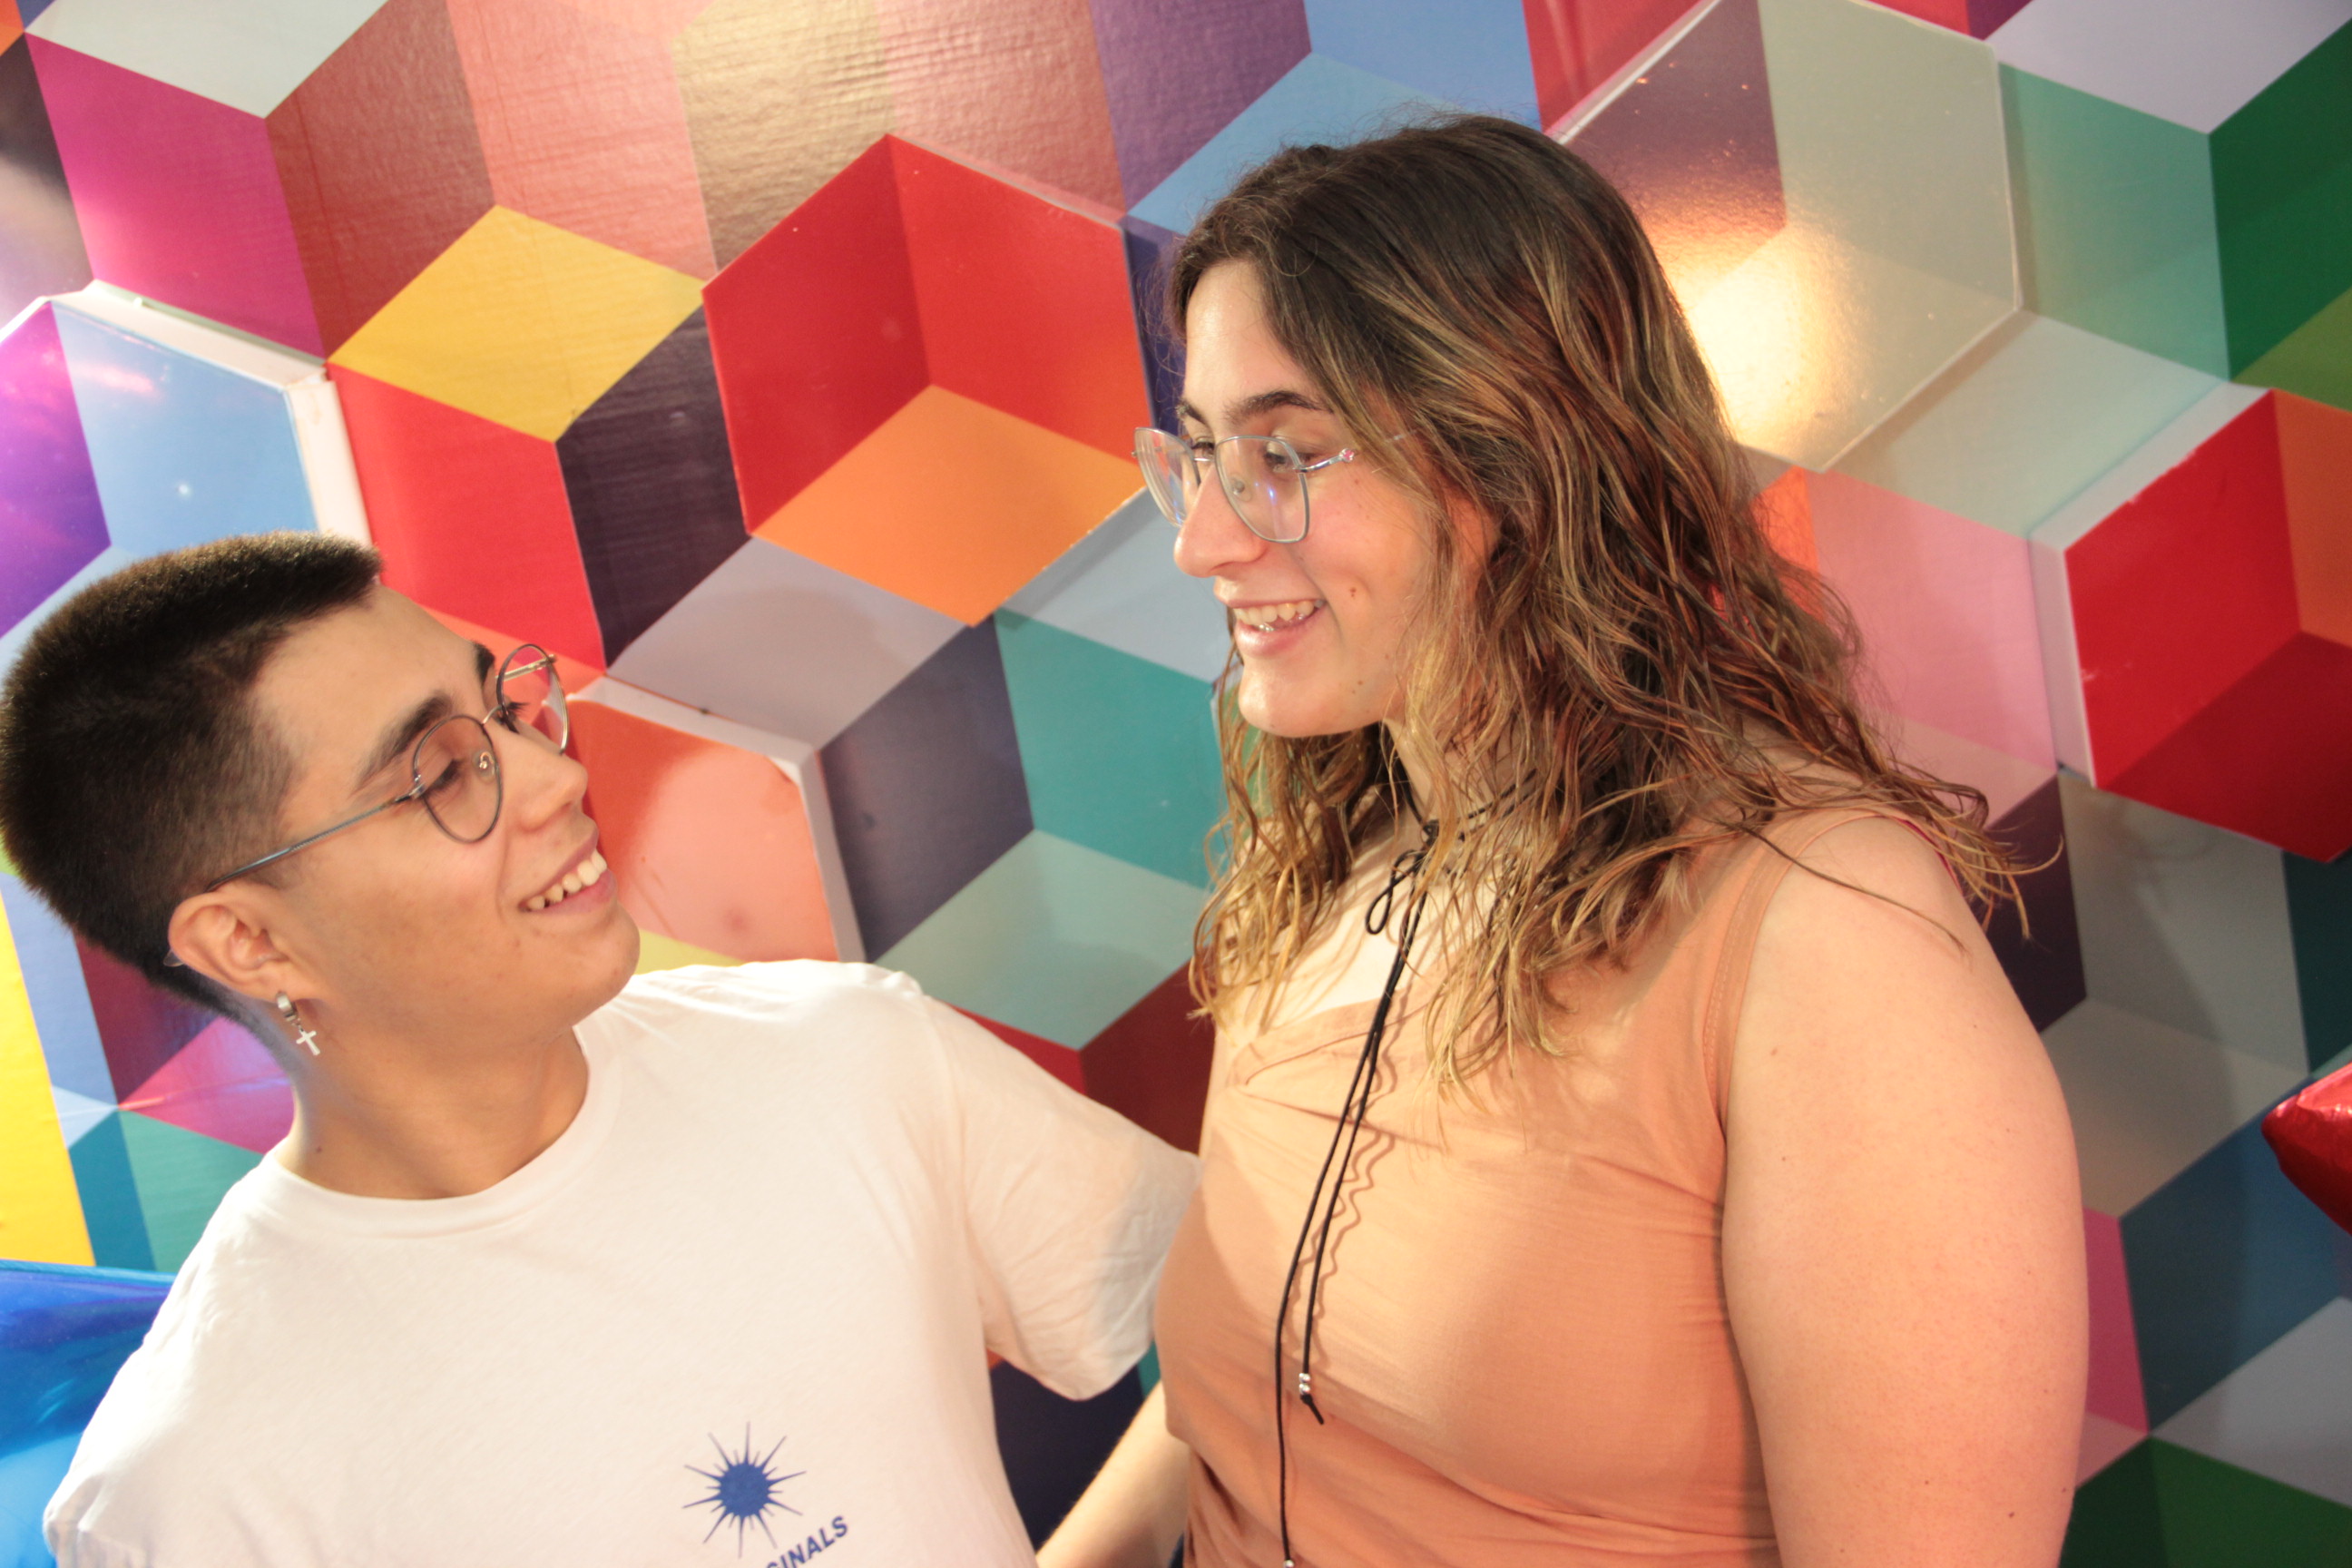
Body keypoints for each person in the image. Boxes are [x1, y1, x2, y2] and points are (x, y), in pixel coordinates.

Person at [1041, 115, 2085, 1568]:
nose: (1201, 541)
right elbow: (1259, 1380)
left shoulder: (1828, 929)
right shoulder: (1331, 868)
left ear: (1518, 456)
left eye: (1285, 454)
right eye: (1204, 454)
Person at [4, 534, 1198, 1567]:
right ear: (250, 942)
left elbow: (1259, 1335)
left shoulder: (848, 1056)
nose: (557, 777)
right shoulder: (192, 1489)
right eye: (442, 776)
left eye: (506, 711)